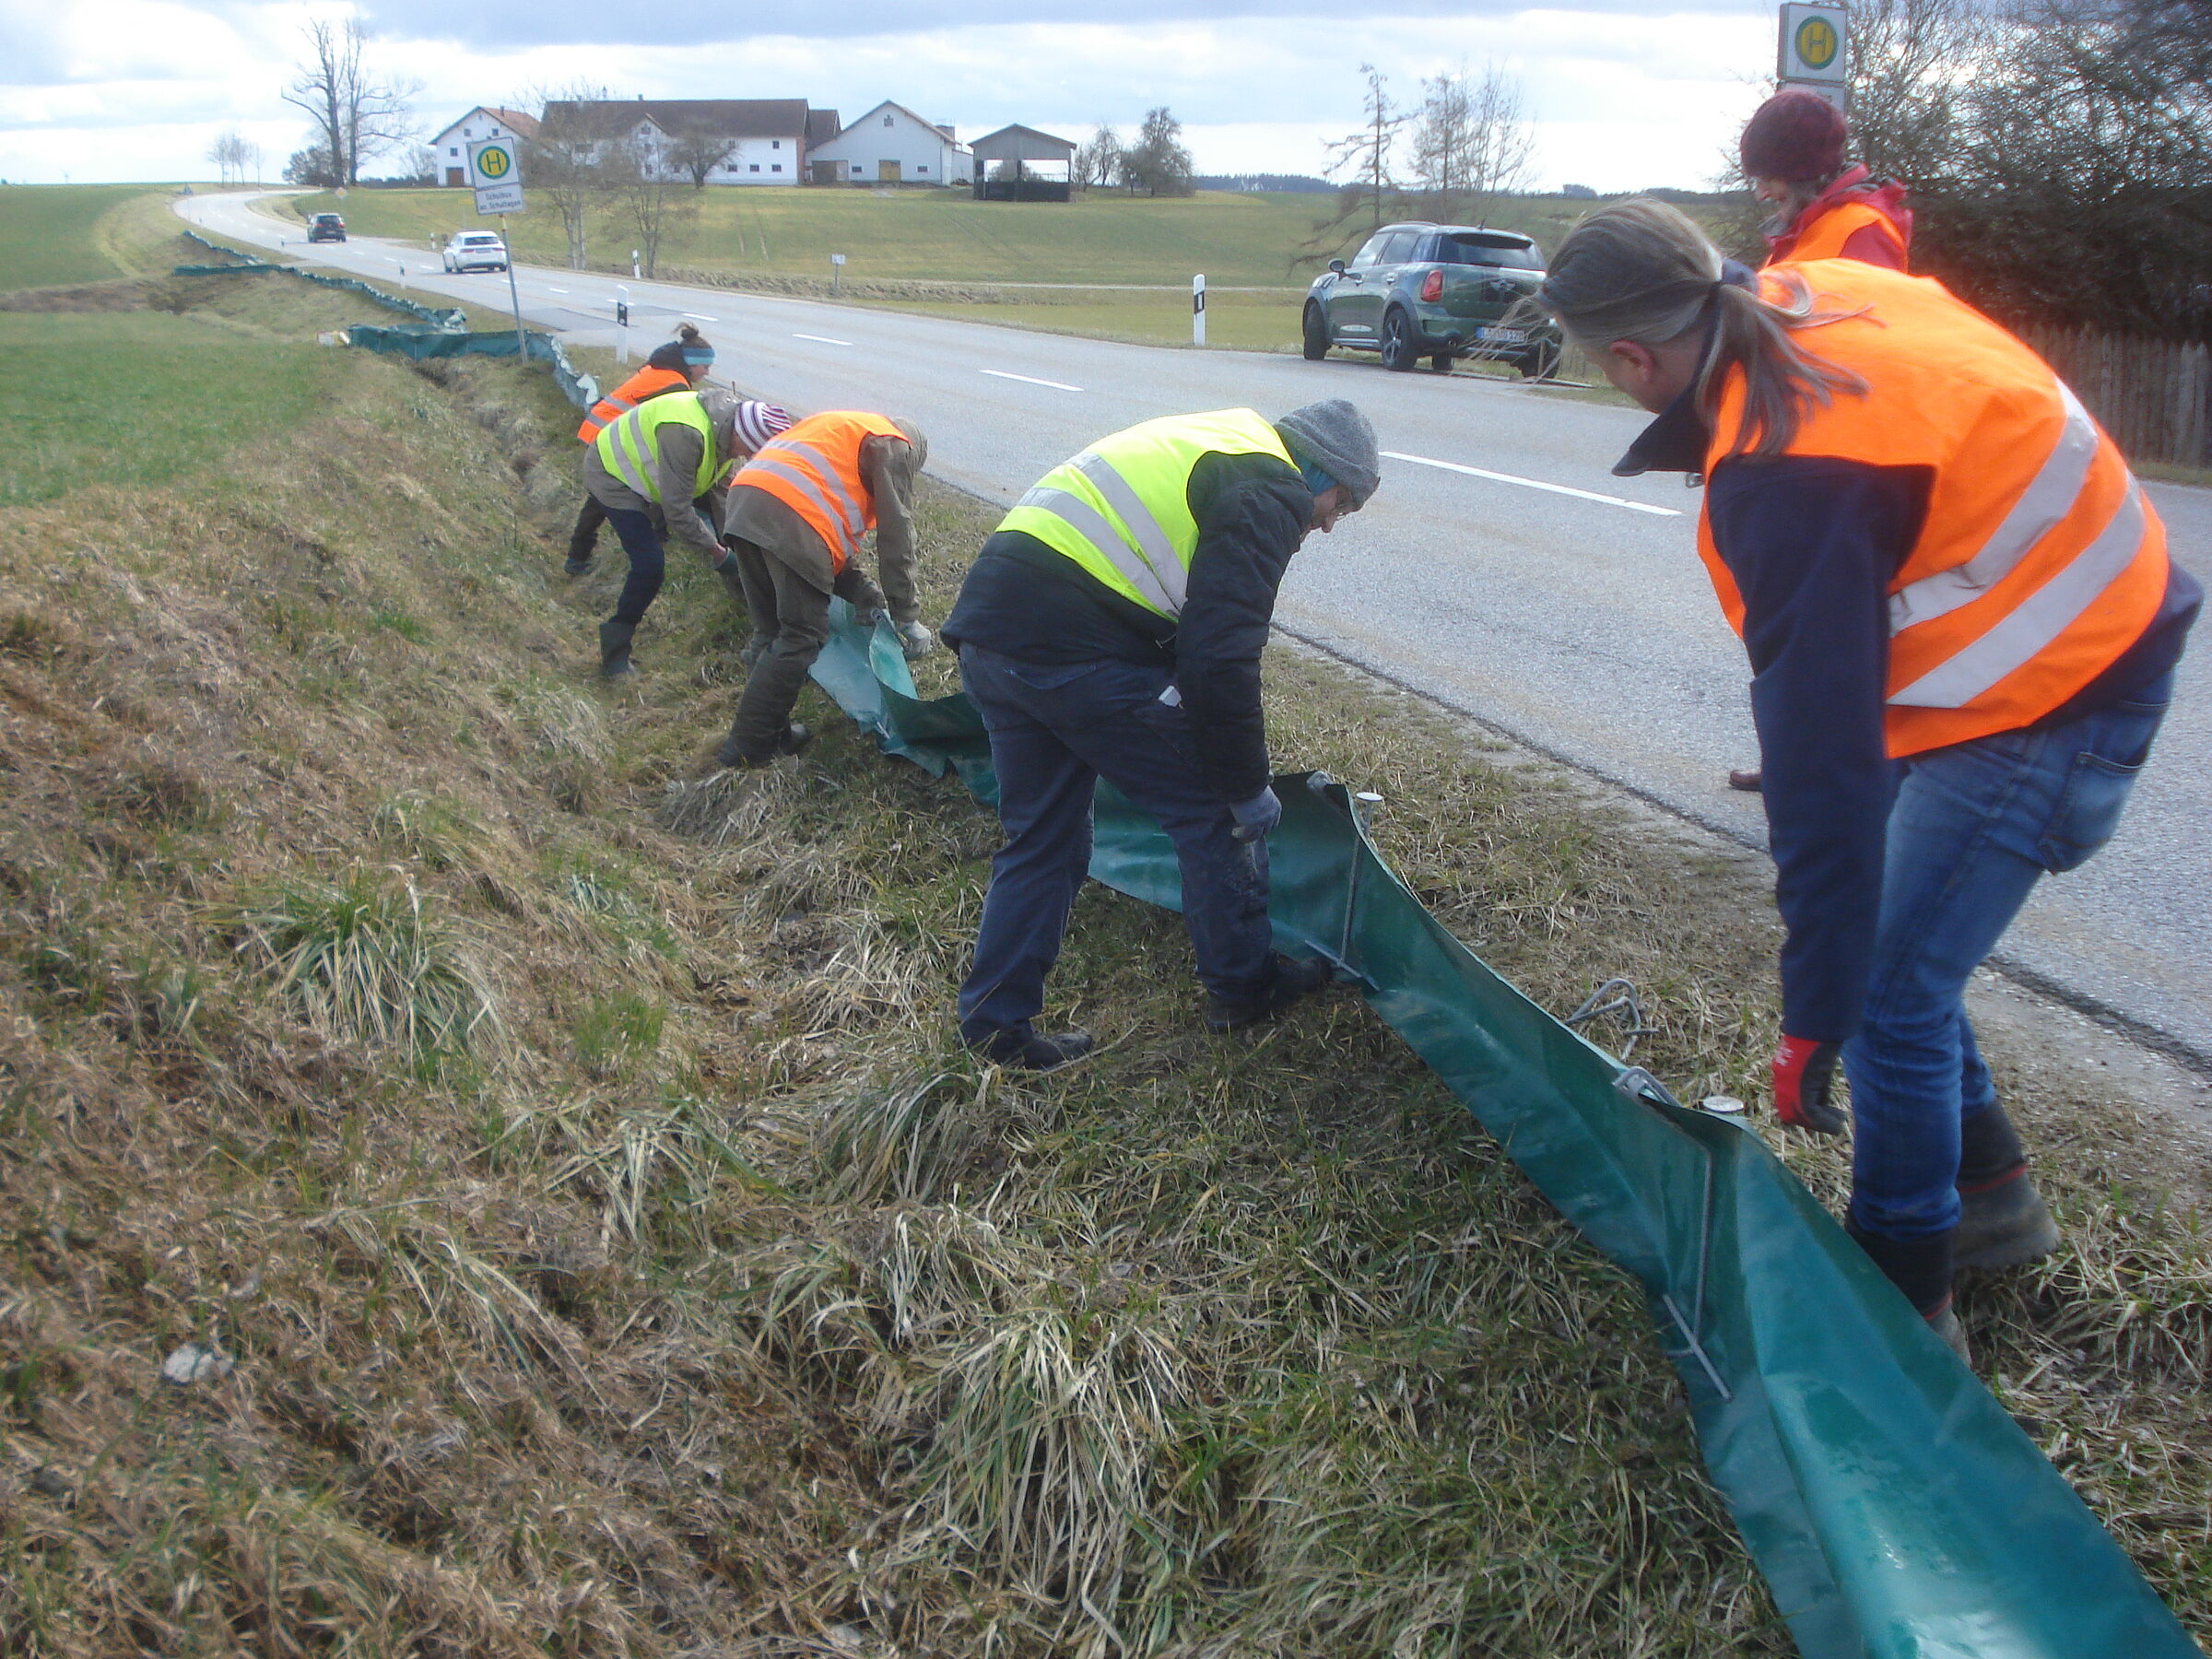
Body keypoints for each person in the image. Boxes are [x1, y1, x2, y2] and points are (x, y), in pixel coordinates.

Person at [1534, 200, 2196, 1357]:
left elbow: (1821, 764)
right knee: (1910, 939)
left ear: (1630, 356)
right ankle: (1993, 1198)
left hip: (2063, 687)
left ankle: (1902, 1302)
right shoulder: (1810, 291)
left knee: (1888, 992)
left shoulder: (1785, 470)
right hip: (2091, 613)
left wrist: (1813, 1015)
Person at [943, 402, 1382, 1071]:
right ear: (1321, 473)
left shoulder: (1223, 440)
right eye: (1340, 506)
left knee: (1045, 839)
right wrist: (1243, 786)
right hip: (1073, 650)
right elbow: (1221, 655)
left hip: (993, 640)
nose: (1324, 524)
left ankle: (994, 1031)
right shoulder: (1270, 488)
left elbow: (1172, 609)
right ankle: (1244, 988)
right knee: (1217, 816)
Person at [1728, 89, 1915, 794]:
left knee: (1831, 629)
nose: (1761, 190)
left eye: (1767, 175)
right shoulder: (1814, 226)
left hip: (1842, 458)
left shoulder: (1856, 231)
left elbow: (1865, 349)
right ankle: (1796, 758)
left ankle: (1840, 771)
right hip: (1804, 445)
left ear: (1799, 171)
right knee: (1793, 624)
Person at [713, 411, 933, 767]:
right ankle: (746, 750)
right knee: (801, 636)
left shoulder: (845, 429)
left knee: (770, 631)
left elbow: (824, 536)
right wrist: (907, 615)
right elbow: (896, 537)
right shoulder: (894, 447)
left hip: (744, 500)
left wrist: (863, 591)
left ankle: (772, 733)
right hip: (789, 513)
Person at [584, 387, 791, 677]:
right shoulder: (686, 434)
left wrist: (740, 551)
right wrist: (718, 555)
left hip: (653, 473)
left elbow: (725, 502)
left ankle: (753, 616)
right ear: (739, 436)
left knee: (721, 537)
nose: (743, 457)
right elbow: (677, 511)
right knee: (649, 566)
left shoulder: (727, 432)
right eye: (746, 451)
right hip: (614, 473)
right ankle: (615, 652)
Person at [564, 324, 717, 578]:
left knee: (605, 495)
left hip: (602, 427)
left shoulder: (661, 367)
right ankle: (581, 556)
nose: (707, 372)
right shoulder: (675, 384)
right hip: (606, 434)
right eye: (705, 366)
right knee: (608, 495)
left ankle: (579, 555)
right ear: (691, 363)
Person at [1742, 88, 1912, 271]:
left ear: (1801, 175)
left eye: (1768, 178)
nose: (1762, 194)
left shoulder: (1861, 231)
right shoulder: (1803, 229)